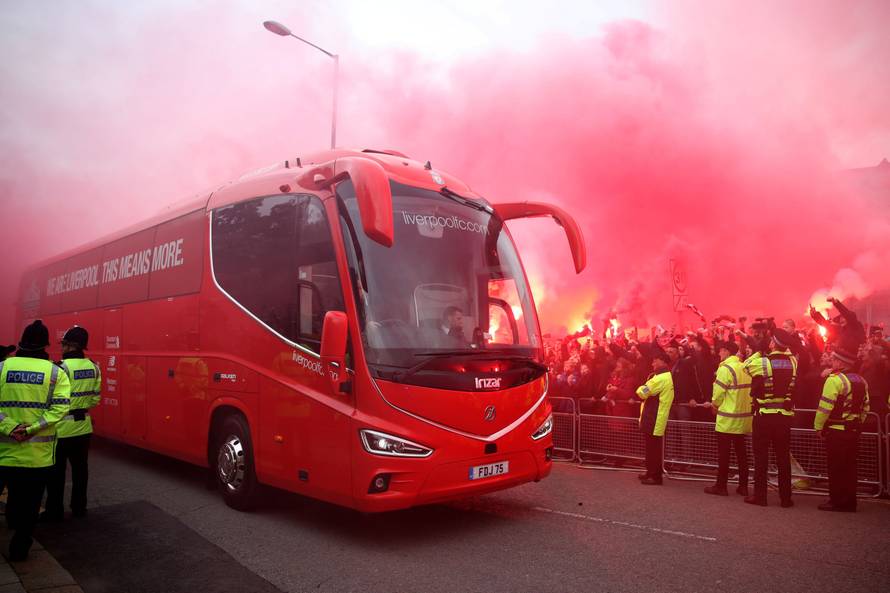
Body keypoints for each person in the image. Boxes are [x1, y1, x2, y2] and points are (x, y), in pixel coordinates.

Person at [0, 320, 70, 560]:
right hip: (36, 456)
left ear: (21, 341)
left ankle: (10, 521)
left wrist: (11, 428)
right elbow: (60, 409)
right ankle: (20, 547)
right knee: (30, 503)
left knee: (9, 494)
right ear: (46, 344)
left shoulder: (1, 368)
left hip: (3, 452)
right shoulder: (55, 373)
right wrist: (32, 429)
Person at [42, 326, 101, 521]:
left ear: (69, 346)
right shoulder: (94, 366)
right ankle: (79, 508)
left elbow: (49, 400)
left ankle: (54, 511)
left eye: (64, 344)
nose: (62, 348)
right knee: (80, 471)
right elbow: (95, 399)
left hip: (61, 429)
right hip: (83, 427)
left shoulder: (60, 368)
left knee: (56, 474)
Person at [743, 327, 797, 507]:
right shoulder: (793, 362)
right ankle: (786, 498)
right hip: (784, 417)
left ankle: (760, 497)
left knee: (761, 458)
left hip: (764, 417)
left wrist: (759, 351)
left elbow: (745, 366)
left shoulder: (763, 362)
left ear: (773, 343)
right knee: (783, 459)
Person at [814, 349, 870, 512]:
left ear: (840, 363)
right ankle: (850, 502)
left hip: (836, 430)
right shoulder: (862, 380)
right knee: (850, 468)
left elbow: (824, 407)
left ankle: (836, 501)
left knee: (836, 467)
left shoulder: (834, 380)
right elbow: (866, 407)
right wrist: (857, 422)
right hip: (853, 430)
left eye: (834, 359)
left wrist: (818, 426)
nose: (831, 361)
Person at [704, 342, 752, 496]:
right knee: (742, 454)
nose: (719, 354)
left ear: (725, 351)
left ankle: (721, 486)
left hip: (727, 418)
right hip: (743, 418)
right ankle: (743, 486)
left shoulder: (725, 369)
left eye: (720, 351)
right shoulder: (744, 367)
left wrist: (714, 405)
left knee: (724, 454)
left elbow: (718, 392)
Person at [635, 351, 675, 485]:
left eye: (655, 361)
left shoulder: (660, 378)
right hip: (655, 416)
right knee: (651, 447)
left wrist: (642, 387)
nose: (652, 363)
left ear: (662, 361)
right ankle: (650, 472)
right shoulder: (664, 376)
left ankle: (655, 476)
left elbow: (642, 393)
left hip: (654, 417)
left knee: (653, 449)